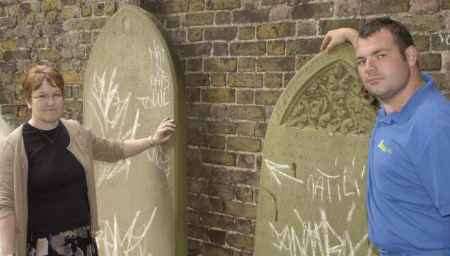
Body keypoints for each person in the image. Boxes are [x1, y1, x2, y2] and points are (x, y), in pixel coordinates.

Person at [0, 64, 176, 256]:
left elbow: (114, 150)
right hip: (43, 247)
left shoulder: (76, 132)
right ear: (28, 101)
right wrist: (7, 252)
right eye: (42, 96)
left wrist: (153, 140)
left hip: (83, 243)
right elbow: (5, 204)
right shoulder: (15, 144)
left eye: (56, 94)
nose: (51, 102)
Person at [321, 18, 450, 255]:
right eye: (361, 60)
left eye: (380, 56)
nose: (368, 67)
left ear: (411, 56)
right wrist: (350, 35)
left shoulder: (433, 126)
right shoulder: (394, 107)